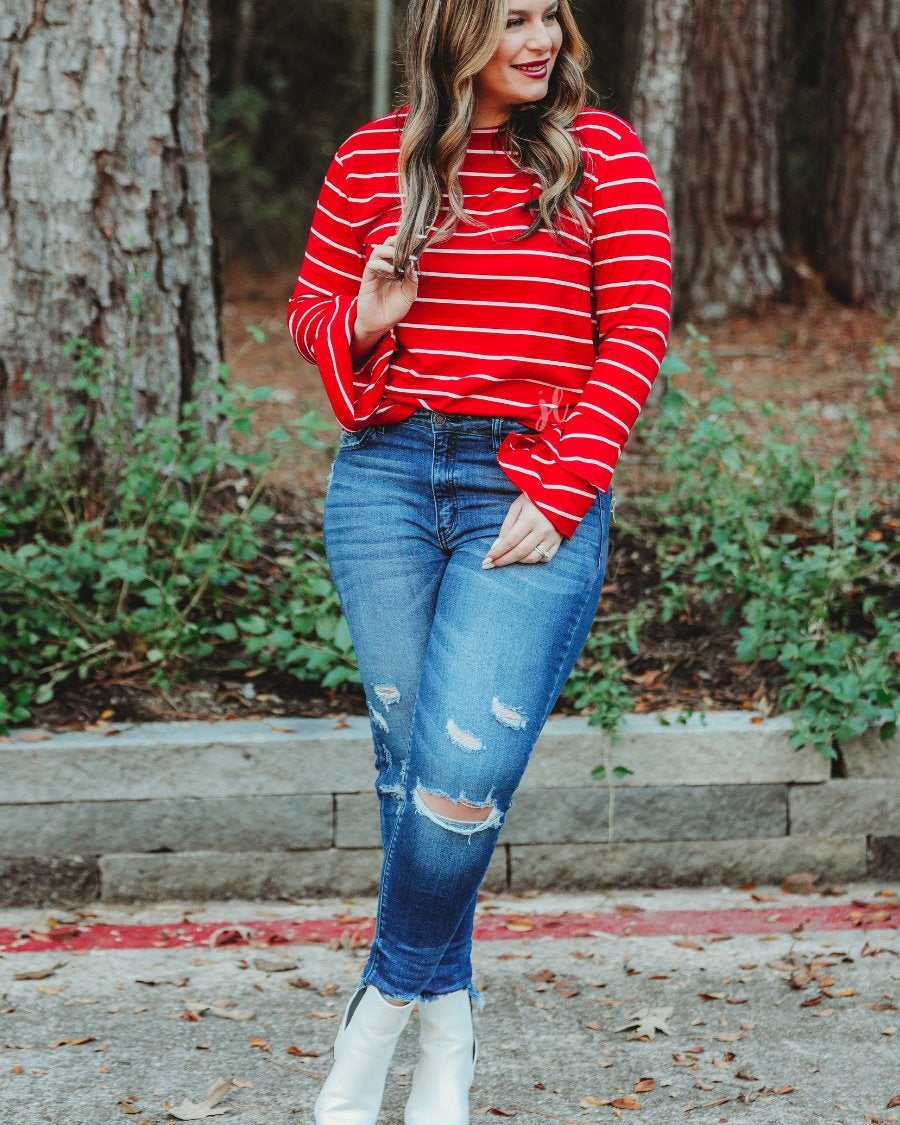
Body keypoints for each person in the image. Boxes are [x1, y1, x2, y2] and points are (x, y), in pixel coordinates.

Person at [286, 0, 672, 1120]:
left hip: (531, 483)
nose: (539, 39)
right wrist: (368, 312)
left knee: (458, 790)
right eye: (510, 19)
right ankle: (450, 1035)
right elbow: (312, 314)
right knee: (410, 778)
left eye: (548, 14)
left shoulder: (600, 153)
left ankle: (376, 1022)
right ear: (454, 31)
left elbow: (637, 329)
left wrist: (561, 491)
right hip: (387, 485)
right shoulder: (373, 160)